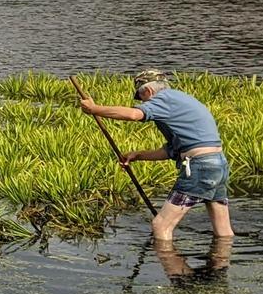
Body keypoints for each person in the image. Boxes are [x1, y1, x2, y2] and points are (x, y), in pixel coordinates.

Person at [79, 69, 233, 243]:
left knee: (161, 226)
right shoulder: (182, 99)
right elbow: (171, 151)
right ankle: (220, 268)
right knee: (223, 231)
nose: (143, 102)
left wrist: (94, 109)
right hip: (218, 165)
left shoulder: (163, 99)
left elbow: (133, 114)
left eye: (141, 97)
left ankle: (173, 268)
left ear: (148, 91)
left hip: (200, 167)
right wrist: (138, 155)